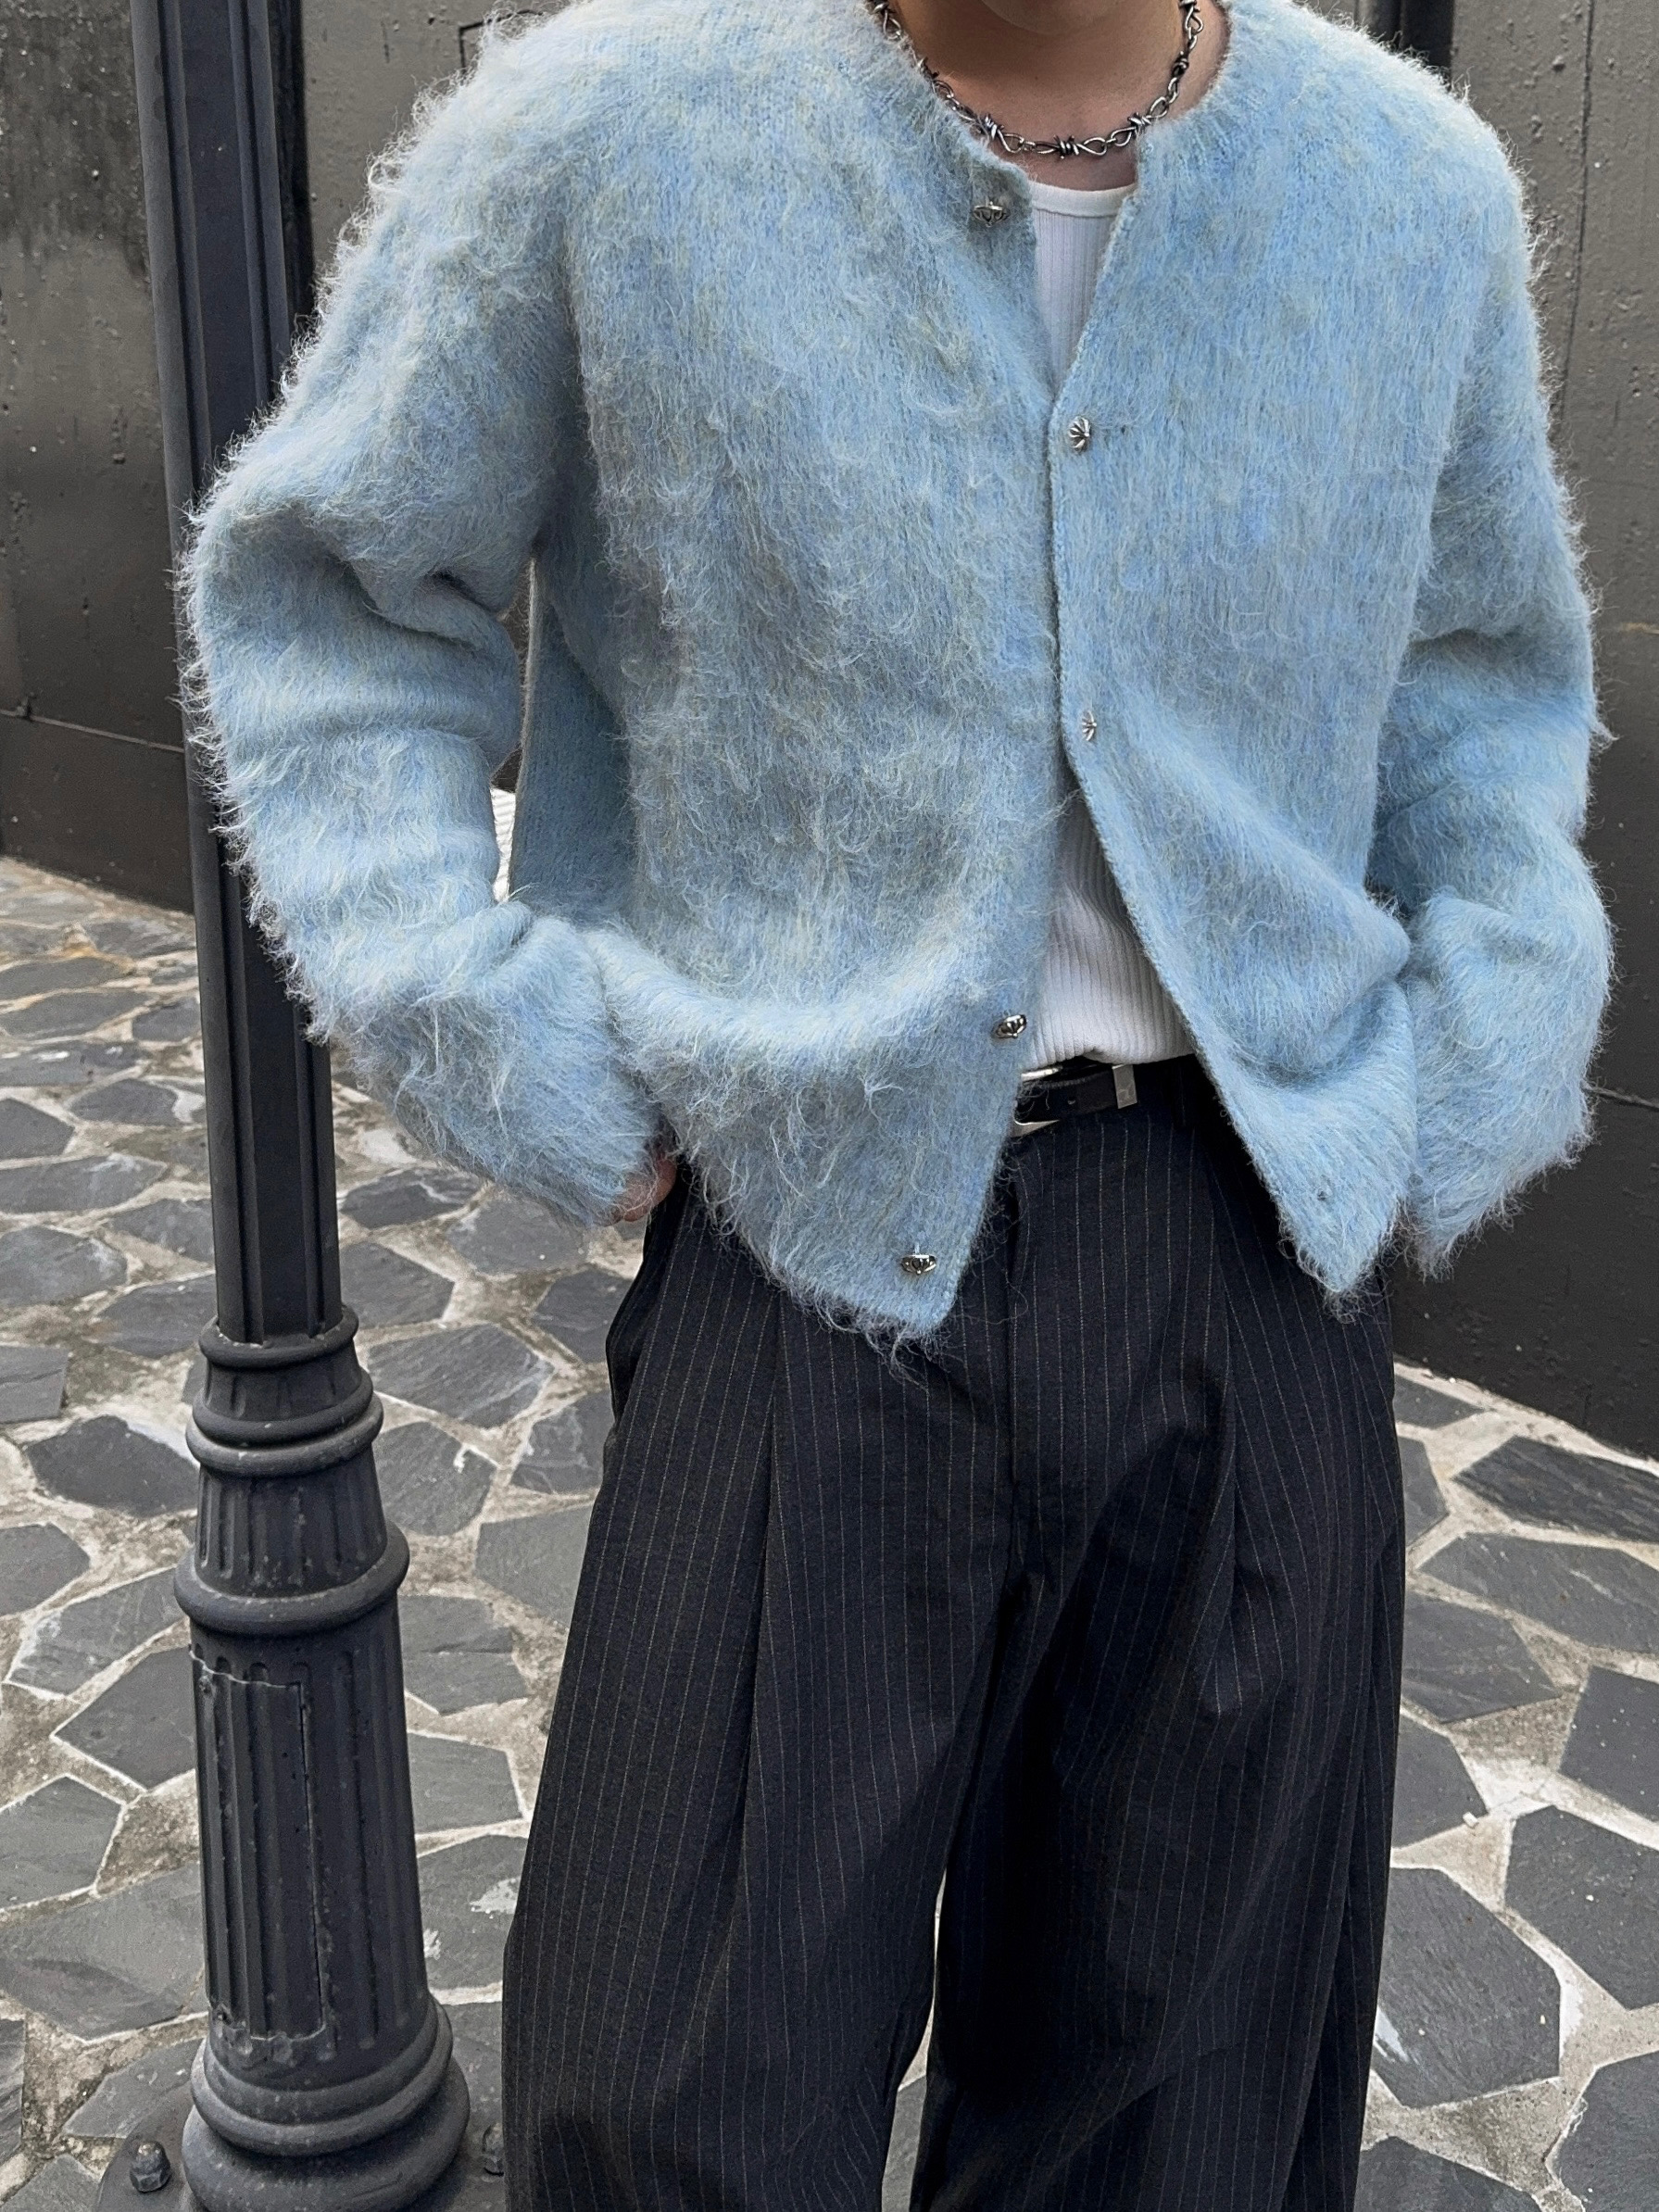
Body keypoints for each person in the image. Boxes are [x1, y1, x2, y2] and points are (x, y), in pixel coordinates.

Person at [184, 0, 1610, 2203]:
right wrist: (481, 1014)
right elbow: (335, 596)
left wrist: (1465, 1057)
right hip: (798, 1263)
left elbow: (1477, 679)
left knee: (1186, 2133)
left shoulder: (1404, 188)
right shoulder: (607, 130)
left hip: (1243, 1270)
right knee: (670, 2104)